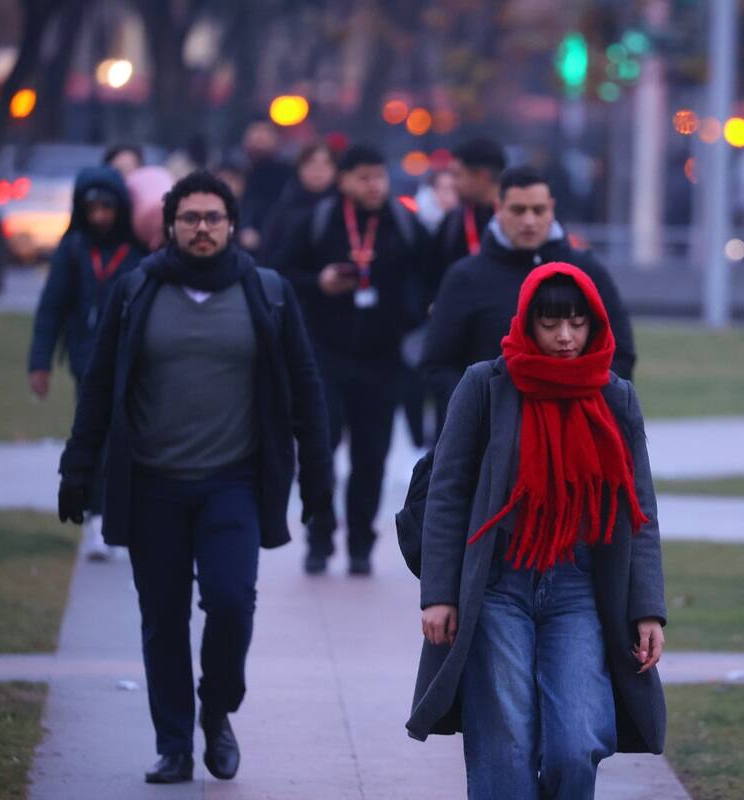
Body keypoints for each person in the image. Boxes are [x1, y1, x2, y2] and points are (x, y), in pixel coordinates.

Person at [56, 170, 334, 784]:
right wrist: (78, 467)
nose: (202, 228)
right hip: (153, 483)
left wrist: (318, 485)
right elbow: (100, 387)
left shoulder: (267, 293)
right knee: (163, 616)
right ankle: (175, 743)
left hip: (232, 482)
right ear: (169, 225)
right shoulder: (137, 291)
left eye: (213, 218)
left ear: (231, 225)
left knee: (232, 603)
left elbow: (306, 391)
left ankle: (217, 709)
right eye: (190, 218)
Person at [408, 263, 667, 800]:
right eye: (551, 324)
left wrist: (647, 608)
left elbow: (639, 509)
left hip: (578, 588)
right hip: (500, 585)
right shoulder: (486, 385)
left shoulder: (614, 397)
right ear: (527, 322)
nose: (566, 337)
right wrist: (438, 594)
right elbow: (449, 493)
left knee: (576, 745)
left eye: (577, 322)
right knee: (504, 745)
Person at [279, 143, 431, 576]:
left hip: (384, 358)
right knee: (320, 450)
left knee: (372, 454)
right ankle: (319, 538)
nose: (374, 185)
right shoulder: (319, 221)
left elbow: (433, 273)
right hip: (324, 354)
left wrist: (414, 317)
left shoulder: (403, 224)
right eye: (364, 177)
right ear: (343, 180)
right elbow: (281, 272)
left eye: (379, 176)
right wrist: (319, 282)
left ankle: (361, 543)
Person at [420, 165, 636, 439]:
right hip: (488, 438)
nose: (529, 221)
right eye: (518, 210)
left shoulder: (587, 270)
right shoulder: (466, 276)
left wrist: (583, 403)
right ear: (499, 207)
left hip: (575, 433)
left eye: (538, 210)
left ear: (552, 208)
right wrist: (480, 409)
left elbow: (621, 353)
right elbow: (437, 363)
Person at [29, 166, 144, 561]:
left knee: (128, 439)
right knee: (96, 438)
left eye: (108, 208)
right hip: (87, 361)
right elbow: (51, 309)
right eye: (92, 208)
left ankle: (126, 519)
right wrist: (39, 363)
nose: (100, 217)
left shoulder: (139, 251)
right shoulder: (74, 248)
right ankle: (97, 520)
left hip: (135, 363)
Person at [432, 137, 506, 293]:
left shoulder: (518, 219)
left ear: (482, 176)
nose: (452, 183)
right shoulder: (453, 221)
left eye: (457, 174)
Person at [260, 141, 337, 267]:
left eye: (326, 164)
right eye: (310, 163)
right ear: (299, 168)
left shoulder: (343, 211)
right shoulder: (281, 211)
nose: (318, 170)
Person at [237, 121, 291, 255]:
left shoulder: (285, 173)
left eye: (265, 134)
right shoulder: (234, 169)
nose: (260, 138)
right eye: (256, 133)